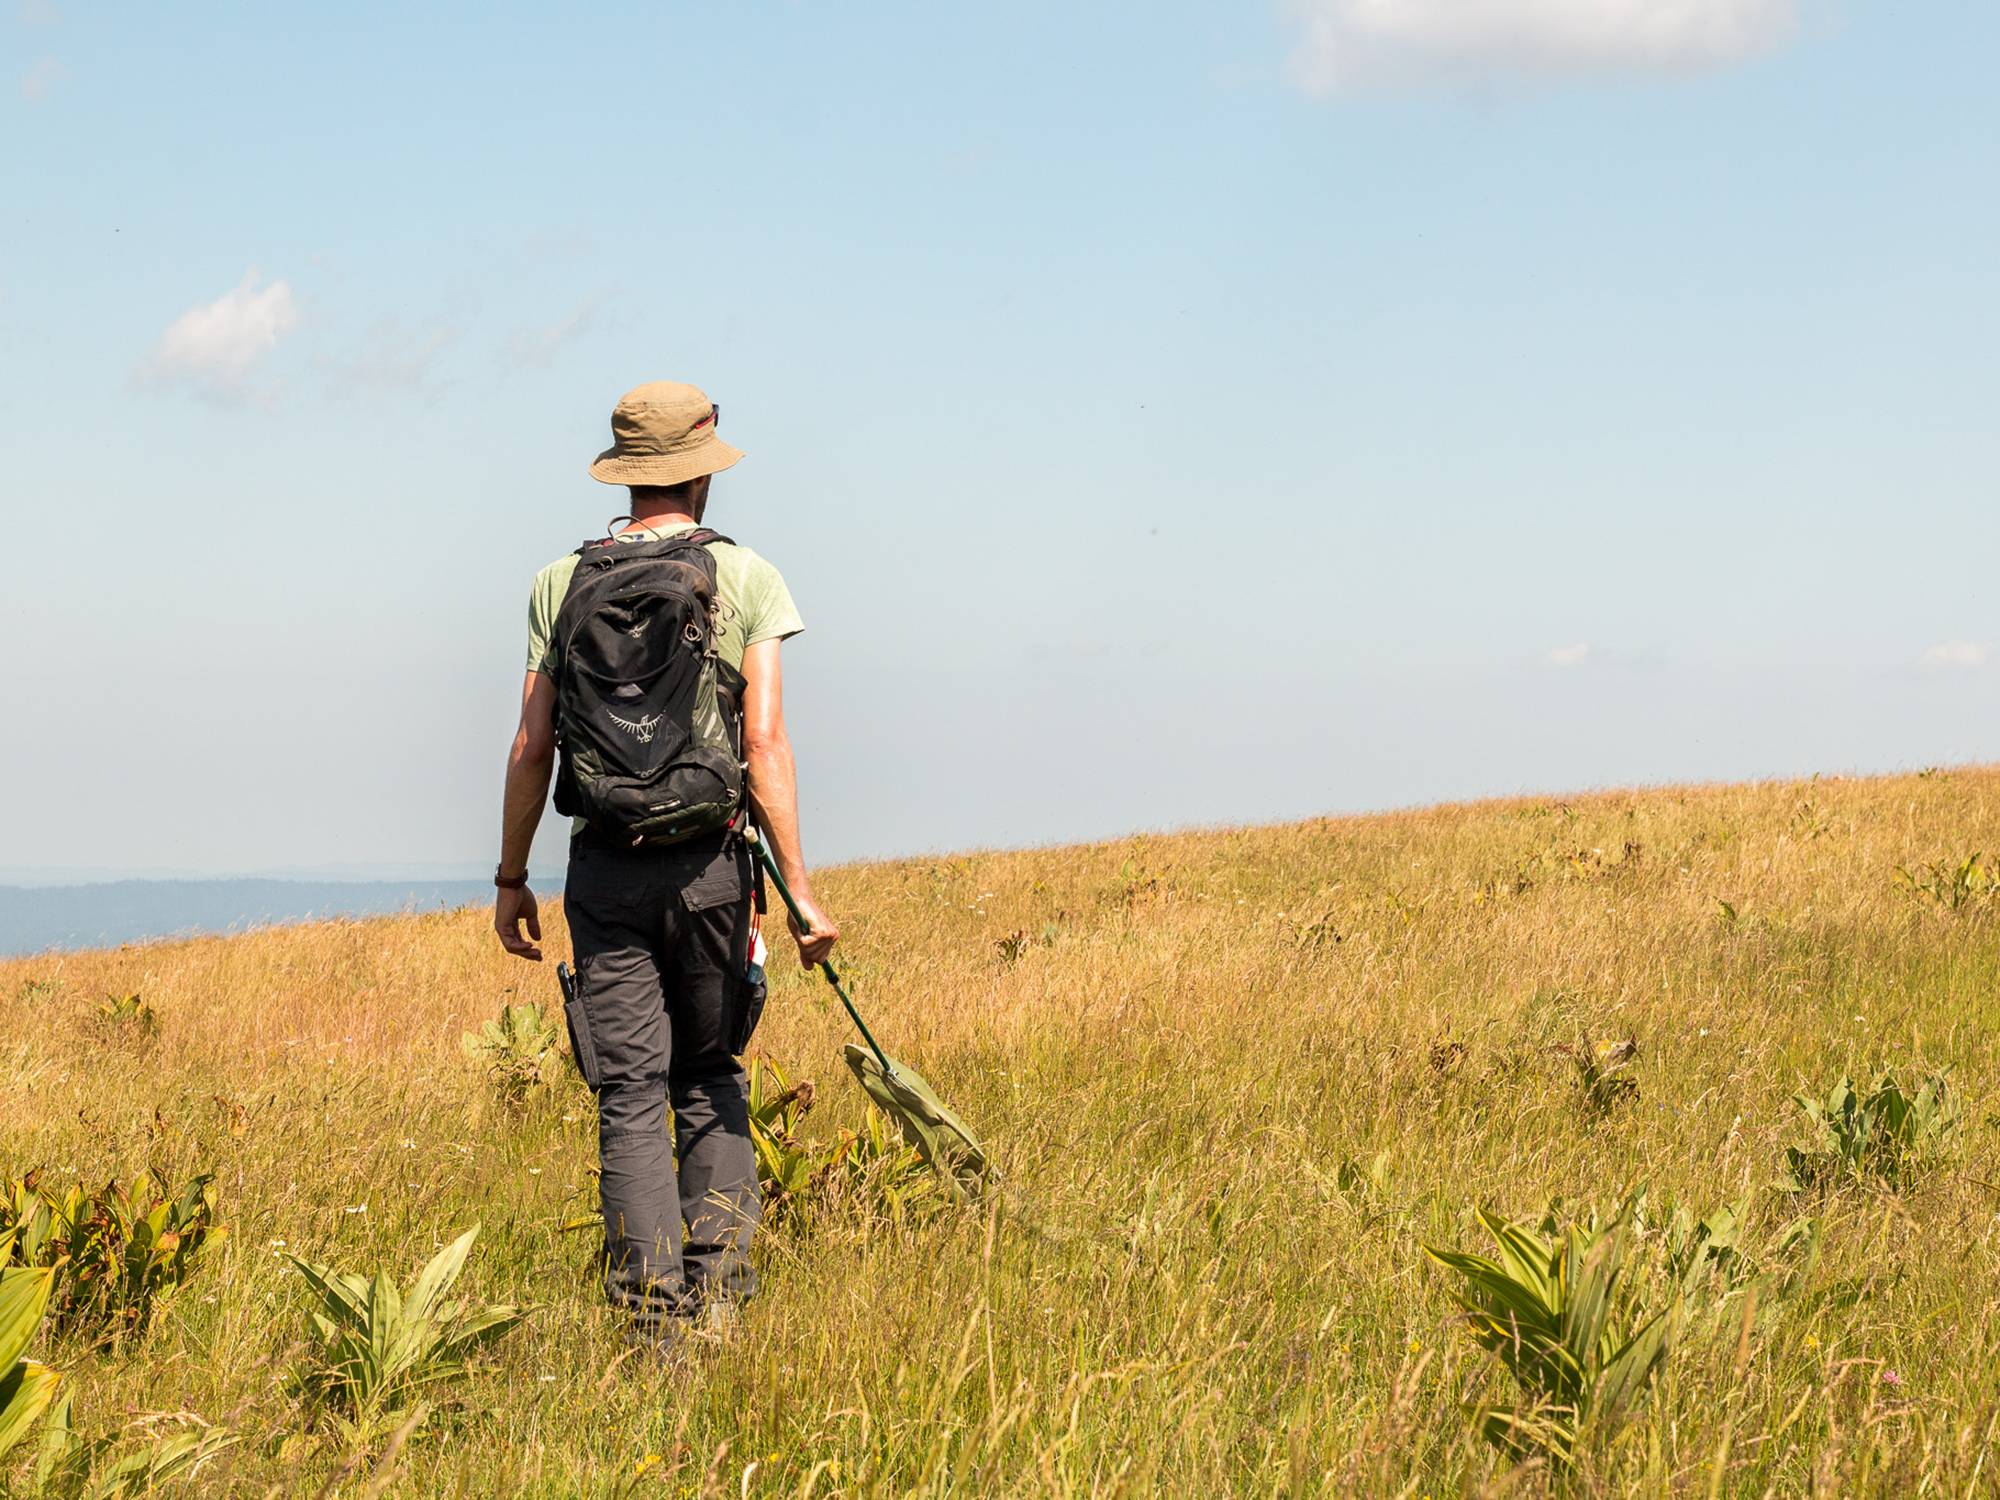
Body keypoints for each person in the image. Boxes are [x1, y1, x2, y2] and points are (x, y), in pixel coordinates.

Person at [491, 381, 839, 1347]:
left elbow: (530, 748)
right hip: (715, 874)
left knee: (631, 1096)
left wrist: (511, 878)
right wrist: (802, 897)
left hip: (604, 872)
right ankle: (721, 1305)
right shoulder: (751, 579)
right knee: (711, 1075)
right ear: (701, 473)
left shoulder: (559, 584)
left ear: (627, 473)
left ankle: (653, 1332)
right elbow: (763, 745)